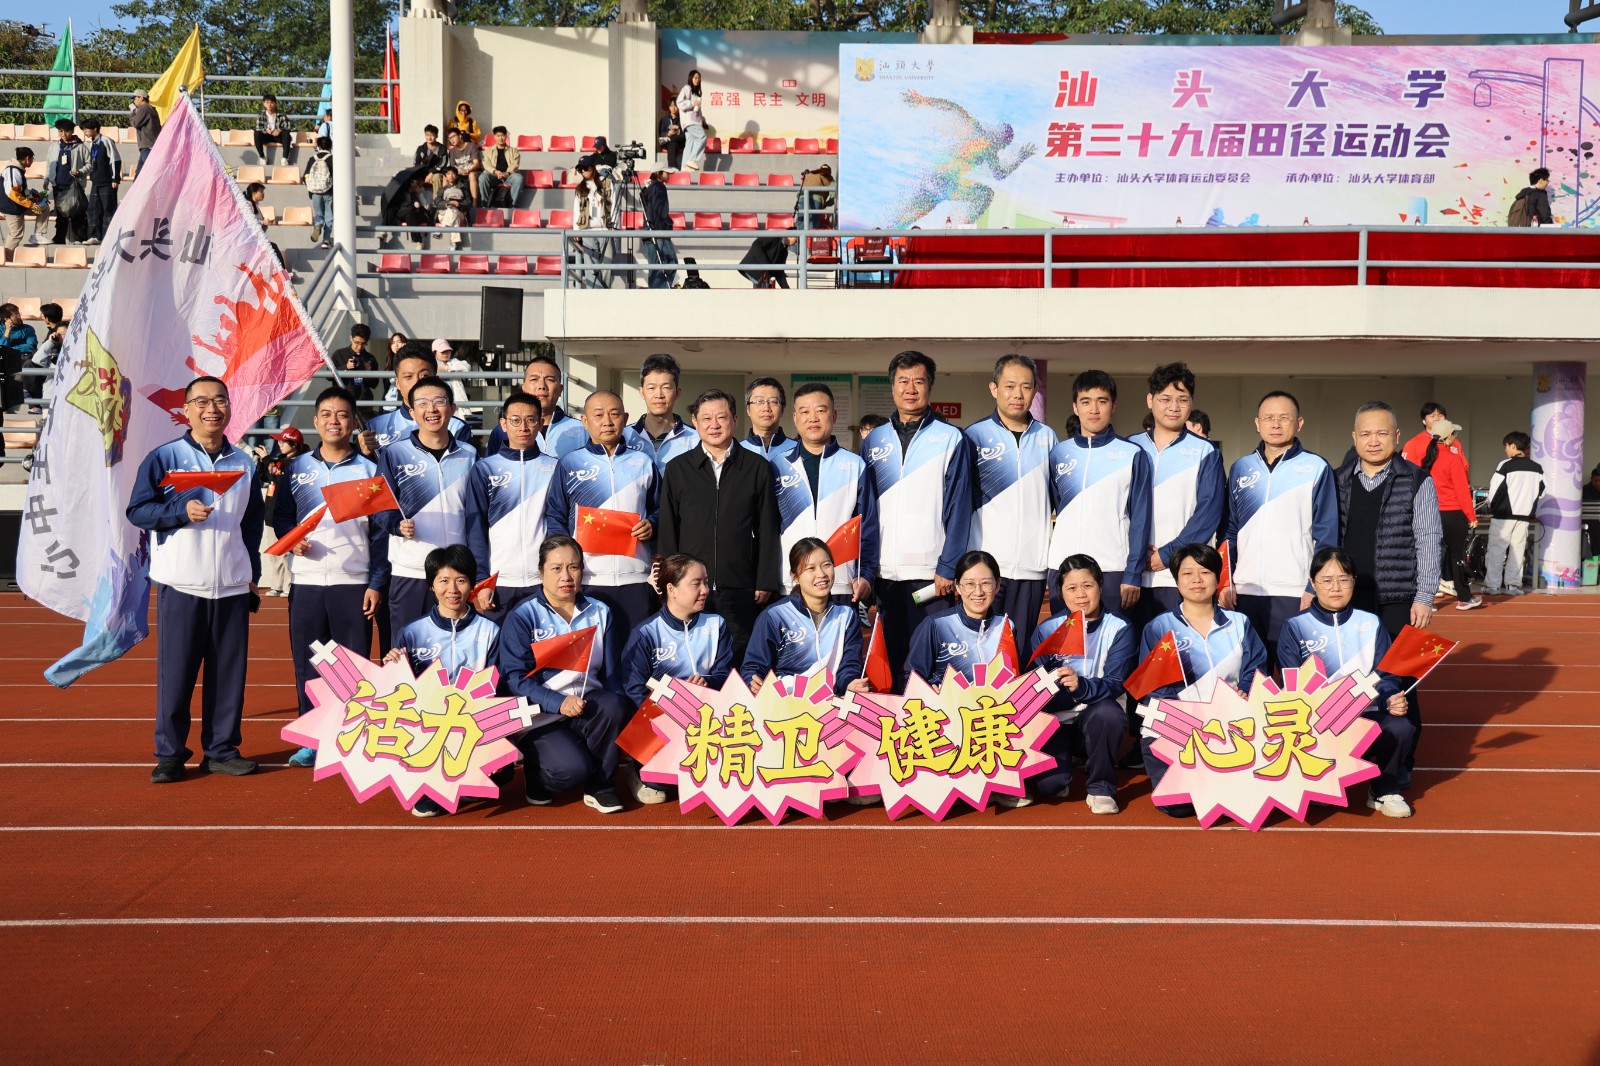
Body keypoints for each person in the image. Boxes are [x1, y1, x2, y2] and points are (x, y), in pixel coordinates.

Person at [125, 376, 263, 784]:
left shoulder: (244, 463)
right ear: (186, 410)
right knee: (177, 674)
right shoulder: (164, 457)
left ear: (230, 408)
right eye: (201, 402)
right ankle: (170, 755)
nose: (212, 409)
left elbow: (251, 524)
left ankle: (221, 750)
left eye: (220, 400)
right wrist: (180, 513)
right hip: (182, 583)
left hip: (232, 585)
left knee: (228, 676)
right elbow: (138, 511)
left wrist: (251, 575)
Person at [275, 387, 386, 767]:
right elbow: (281, 517)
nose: (333, 421)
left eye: (341, 414)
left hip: (352, 582)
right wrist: (293, 540)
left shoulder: (369, 470)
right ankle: (313, 738)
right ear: (315, 421)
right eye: (326, 414)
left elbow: (380, 533)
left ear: (353, 422)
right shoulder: (296, 469)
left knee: (352, 666)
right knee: (309, 664)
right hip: (306, 582)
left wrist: (376, 583)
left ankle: (350, 735)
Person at [1335, 400, 1440, 778]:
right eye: (1365, 433)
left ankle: (1401, 765)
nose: (1373, 440)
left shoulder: (1416, 480)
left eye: (1382, 433)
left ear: (1396, 436)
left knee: (1403, 682)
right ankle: (1350, 760)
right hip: (1348, 601)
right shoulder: (1338, 480)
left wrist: (1424, 596)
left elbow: (1429, 539)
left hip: (1399, 600)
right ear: (1354, 437)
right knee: (1350, 679)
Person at [1279, 547, 1417, 819]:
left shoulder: (1371, 622)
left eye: (1343, 579)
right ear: (1313, 584)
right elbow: (1292, 682)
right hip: (1317, 722)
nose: (1335, 587)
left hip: (1367, 714)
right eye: (1326, 580)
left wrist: (1390, 698)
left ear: (1354, 582)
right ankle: (1318, 779)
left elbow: (1386, 675)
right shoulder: (1295, 626)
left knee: (1401, 727)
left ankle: (1383, 790)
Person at [863, 351, 974, 689]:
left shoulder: (950, 438)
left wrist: (948, 567)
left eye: (918, 381)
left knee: (930, 663)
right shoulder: (874, 440)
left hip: (930, 579)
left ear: (930, 386)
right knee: (891, 662)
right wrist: (867, 570)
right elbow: (865, 512)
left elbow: (960, 508)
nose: (910, 389)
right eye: (903, 381)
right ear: (892, 387)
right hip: (886, 576)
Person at [499, 535, 629, 813]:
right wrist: (557, 702)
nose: (566, 576)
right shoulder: (523, 615)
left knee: (614, 705)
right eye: (556, 568)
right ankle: (537, 774)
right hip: (542, 716)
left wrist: (622, 716)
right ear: (541, 572)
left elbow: (613, 675)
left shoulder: (600, 611)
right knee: (569, 771)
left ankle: (601, 787)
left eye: (574, 567)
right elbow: (515, 678)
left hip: (588, 704)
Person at [1137, 543, 1268, 817]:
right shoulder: (1159, 627)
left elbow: (1256, 670)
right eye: (1187, 573)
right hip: (1179, 727)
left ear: (1217, 577)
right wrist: (1197, 720)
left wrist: (1244, 694)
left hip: (1234, 724)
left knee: (1245, 802)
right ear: (1176, 579)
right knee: (1179, 805)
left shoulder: (1239, 623)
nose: (1197, 580)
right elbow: (1156, 690)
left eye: (1205, 572)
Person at [658, 388, 783, 662]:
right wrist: (670, 580)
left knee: (739, 658)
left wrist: (764, 580)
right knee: (691, 659)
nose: (714, 425)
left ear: (735, 420)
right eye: (706, 418)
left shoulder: (756, 467)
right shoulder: (678, 469)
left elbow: (767, 528)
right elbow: (668, 529)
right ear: (695, 421)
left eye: (721, 417)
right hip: (689, 586)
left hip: (740, 586)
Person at [1222, 390, 1339, 664]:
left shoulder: (1316, 467)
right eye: (1268, 418)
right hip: (1245, 591)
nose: (1275, 424)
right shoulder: (1241, 468)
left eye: (1284, 418)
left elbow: (1327, 535)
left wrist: (1314, 587)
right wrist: (1226, 583)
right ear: (1257, 423)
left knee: (1295, 675)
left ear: (1299, 423)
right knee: (1251, 676)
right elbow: (1230, 532)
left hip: (1294, 591)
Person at [385, 543, 501, 817]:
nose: (453, 590)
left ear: (472, 584)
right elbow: (398, 689)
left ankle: (458, 779)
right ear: (431, 585)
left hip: (471, 722)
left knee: (498, 773)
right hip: (426, 725)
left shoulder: (490, 631)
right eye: (444, 581)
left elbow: (497, 685)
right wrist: (390, 667)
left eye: (461, 580)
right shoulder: (413, 632)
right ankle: (428, 783)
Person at [1026, 554, 1136, 814]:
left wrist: (1082, 686)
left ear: (1100, 586)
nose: (1081, 595)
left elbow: (1116, 683)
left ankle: (1101, 788)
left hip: (1095, 716)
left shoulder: (1120, 627)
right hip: (1057, 720)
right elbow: (1034, 686)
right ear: (1061, 592)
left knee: (1109, 714)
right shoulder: (1047, 630)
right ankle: (1070, 760)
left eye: (1088, 585)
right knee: (1049, 786)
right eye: (1072, 588)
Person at [618, 553, 733, 802]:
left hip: (710, 720)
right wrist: (668, 708)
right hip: (663, 722)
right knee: (662, 782)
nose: (705, 590)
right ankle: (638, 769)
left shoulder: (717, 625)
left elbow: (725, 674)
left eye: (706, 582)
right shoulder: (646, 633)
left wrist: (707, 682)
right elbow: (633, 690)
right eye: (696, 583)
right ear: (671, 589)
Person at [544, 390, 660, 634]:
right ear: (585, 421)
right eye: (598, 415)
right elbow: (555, 516)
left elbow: (661, 511)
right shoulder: (569, 463)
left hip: (635, 579)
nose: (607, 421)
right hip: (588, 580)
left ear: (625, 418)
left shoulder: (643, 462)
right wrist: (568, 563)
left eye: (614, 414)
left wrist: (652, 524)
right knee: (593, 653)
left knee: (634, 652)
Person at [372, 376, 477, 635]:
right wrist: (396, 525)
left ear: (452, 408)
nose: (432, 409)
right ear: (412, 412)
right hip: (411, 571)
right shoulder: (394, 453)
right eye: (422, 403)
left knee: (454, 647)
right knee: (407, 649)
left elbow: (477, 513)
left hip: (456, 574)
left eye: (439, 401)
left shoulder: (469, 454)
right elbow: (379, 506)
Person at [965, 354, 1058, 648]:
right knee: (981, 649)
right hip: (985, 569)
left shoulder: (1047, 438)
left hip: (1031, 567)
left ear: (1035, 391)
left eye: (1026, 387)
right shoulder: (974, 437)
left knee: (1020, 649)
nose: (1018, 394)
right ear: (994, 388)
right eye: (1010, 386)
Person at [1045, 369, 1152, 619]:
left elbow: (1141, 518)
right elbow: (1055, 506)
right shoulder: (1058, 453)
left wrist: (1133, 573)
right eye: (1086, 401)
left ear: (1113, 406)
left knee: (1113, 640)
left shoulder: (1132, 454)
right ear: (1075, 407)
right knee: (1067, 642)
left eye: (1102, 401)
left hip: (1112, 568)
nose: (1094, 409)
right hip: (1063, 567)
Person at [1134, 362, 1226, 624]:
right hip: (1132, 576)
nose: (1174, 406)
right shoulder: (1130, 447)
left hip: (1179, 576)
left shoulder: (1205, 452)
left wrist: (1166, 555)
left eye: (1182, 399)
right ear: (1150, 400)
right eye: (1165, 399)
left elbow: (1207, 515)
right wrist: (1134, 556)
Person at [772, 382, 876, 603]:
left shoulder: (854, 465)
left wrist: (865, 574)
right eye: (805, 412)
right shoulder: (777, 466)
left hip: (840, 583)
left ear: (834, 415)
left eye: (821, 410)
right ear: (795, 418)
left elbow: (868, 527)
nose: (813, 418)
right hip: (790, 584)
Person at [465, 391, 558, 623]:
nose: (523, 427)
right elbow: (476, 530)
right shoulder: (485, 468)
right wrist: (482, 581)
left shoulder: (555, 467)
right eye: (515, 420)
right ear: (503, 424)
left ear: (540, 424)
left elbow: (559, 524)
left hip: (543, 581)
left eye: (530, 420)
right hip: (500, 583)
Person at [742, 538, 867, 694]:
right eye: (811, 568)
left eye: (826, 565)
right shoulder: (774, 616)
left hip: (831, 702)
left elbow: (850, 664)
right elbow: (754, 666)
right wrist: (753, 682)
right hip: (786, 702)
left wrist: (849, 683)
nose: (821, 574)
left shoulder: (847, 616)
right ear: (795, 576)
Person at [904, 550, 1015, 686]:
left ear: (997, 585)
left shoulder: (1006, 626)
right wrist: (930, 692)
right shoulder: (936, 625)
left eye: (986, 583)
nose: (978, 592)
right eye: (969, 584)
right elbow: (910, 677)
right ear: (958, 586)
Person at [358, 342, 475, 455]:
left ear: (436, 379)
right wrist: (365, 454)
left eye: (424, 376)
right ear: (397, 383)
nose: (416, 383)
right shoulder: (375, 427)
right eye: (408, 376)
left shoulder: (457, 428)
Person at [483, 355, 588, 457]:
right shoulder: (503, 430)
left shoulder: (582, 429)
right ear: (524, 388)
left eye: (550, 380)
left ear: (561, 389)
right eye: (534, 379)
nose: (542, 386)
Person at [1482, 430, 1545, 597]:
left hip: (1503, 516)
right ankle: (1513, 586)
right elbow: (1542, 492)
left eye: (1506, 446)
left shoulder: (1505, 465)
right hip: (1524, 517)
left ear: (1513, 446)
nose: (1505, 450)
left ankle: (1493, 585)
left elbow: (1494, 491)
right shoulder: (1537, 468)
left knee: (1497, 550)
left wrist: (1492, 507)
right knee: (1518, 550)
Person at [623, 352, 699, 473]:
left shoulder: (696, 439)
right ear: (641, 392)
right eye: (651, 388)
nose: (659, 395)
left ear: (678, 392)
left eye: (666, 387)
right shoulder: (624, 437)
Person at [255, 425, 307, 597]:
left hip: (288, 514)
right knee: (275, 552)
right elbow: (266, 476)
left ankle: (288, 585)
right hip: (272, 513)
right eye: (279, 442)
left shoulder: (299, 462)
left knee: (288, 551)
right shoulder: (279, 460)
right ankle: (277, 585)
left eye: (283, 442)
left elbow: (279, 476)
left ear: (294, 444)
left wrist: (266, 459)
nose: (280, 445)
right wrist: (262, 461)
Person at [72, 117, 120, 244]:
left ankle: (108, 237)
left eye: (87, 130)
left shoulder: (106, 141)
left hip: (108, 182)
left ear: (95, 129)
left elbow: (115, 160)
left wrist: (115, 179)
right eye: (83, 130)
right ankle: (95, 236)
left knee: (108, 210)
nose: (85, 133)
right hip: (96, 182)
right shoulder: (92, 144)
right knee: (93, 209)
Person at [571, 156, 616, 288]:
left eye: (585, 168)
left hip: (605, 229)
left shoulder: (607, 183)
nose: (583, 171)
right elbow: (577, 210)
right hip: (587, 230)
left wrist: (614, 225)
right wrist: (576, 230)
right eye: (580, 169)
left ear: (592, 167)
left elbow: (614, 205)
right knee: (590, 266)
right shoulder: (580, 188)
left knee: (607, 265)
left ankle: (603, 292)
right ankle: (594, 293)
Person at [46, 119, 87, 245]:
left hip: (74, 185)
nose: (63, 134)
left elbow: (90, 164)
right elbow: (49, 164)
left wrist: (80, 171)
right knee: (60, 215)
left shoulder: (80, 146)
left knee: (77, 213)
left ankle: (79, 238)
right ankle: (59, 238)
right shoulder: (54, 146)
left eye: (66, 131)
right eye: (60, 131)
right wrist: (46, 178)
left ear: (72, 131)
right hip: (58, 185)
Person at [1, 148, 48, 250]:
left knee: (43, 207)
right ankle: (7, 257)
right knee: (15, 235)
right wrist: (31, 205)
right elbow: (12, 193)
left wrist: (38, 198)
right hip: (12, 208)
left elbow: (24, 192)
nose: (32, 162)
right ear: (27, 158)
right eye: (32, 159)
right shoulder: (13, 171)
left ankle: (38, 235)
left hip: (21, 206)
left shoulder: (19, 170)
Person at [742, 377, 799, 460]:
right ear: (748, 409)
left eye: (773, 401)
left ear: (782, 409)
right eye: (759, 401)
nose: (766, 408)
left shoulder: (797, 450)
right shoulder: (737, 451)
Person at [641, 169, 679, 290]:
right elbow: (659, 210)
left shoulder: (649, 188)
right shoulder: (659, 187)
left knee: (655, 265)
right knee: (670, 263)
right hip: (658, 230)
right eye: (666, 172)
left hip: (650, 229)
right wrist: (667, 223)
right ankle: (660, 291)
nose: (668, 175)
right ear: (658, 173)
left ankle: (656, 291)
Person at [26, 302, 65, 405]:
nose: (62, 336)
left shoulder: (56, 332)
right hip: (47, 363)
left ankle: (30, 395)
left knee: (29, 364)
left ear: (47, 318)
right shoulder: (52, 333)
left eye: (42, 315)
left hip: (54, 365)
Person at [330, 323, 379, 405]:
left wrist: (368, 373)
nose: (359, 346)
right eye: (357, 342)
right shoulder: (339, 354)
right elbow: (328, 376)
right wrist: (345, 367)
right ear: (351, 338)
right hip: (342, 401)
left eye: (363, 344)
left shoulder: (370, 358)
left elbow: (375, 384)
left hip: (364, 403)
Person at [303, 135, 334, 248]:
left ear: (319, 146)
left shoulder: (313, 158)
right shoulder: (332, 158)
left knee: (318, 214)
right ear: (330, 146)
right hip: (329, 191)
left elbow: (305, 176)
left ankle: (318, 224)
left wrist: (311, 188)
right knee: (329, 217)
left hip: (315, 192)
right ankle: (326, 241)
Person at [480, 126, 523, 208]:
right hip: (494, 176)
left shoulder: (513, 151)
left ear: (506, 136)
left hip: (509, 176)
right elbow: (486, 164)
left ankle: (512, 204)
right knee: (483, 177)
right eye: (498, 136)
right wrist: (495, 171)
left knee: (518, 178)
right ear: (494, 137)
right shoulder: (488, 150)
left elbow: (515, 164)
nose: (500, 138)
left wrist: (507, 173)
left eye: (502, 135)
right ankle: (485, 204)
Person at [443, 128, 483, 208]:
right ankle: (445, 202)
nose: (452, 140)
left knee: (471, 175)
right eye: (450, 138)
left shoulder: (471, 146)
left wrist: (468, 170)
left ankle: (474, 203)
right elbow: (453, 167)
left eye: (454, 136)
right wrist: (459, 171)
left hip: (473, 171)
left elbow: (476, 163)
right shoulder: (452, 151)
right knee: (445, 177)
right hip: (460, 173)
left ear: (460, 136)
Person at [677, 70, 706, 172]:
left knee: (689, 143)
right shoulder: (687, 88)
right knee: (702, 137)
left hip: (693, 121)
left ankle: (684, 166)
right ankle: (691, 159)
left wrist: (703, 121)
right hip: (690, 121)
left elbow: (698, 111)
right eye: (695, 78)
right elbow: (679, 102)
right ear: (691, 78)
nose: (697, 80)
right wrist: (693, 103)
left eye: (699, 78)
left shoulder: (696, 92)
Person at [128, 89, 161, 179]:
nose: (134, 101)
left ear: (141, 98)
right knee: (139, 173)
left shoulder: (143, 108)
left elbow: (135, 123)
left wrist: (133, 113)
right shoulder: (151, 109)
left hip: (147, 146)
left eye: (135, 98)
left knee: (146, 173)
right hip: (150, 145)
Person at [253, 93, 294, 165]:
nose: (269, 105)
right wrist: (265, 130)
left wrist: (279, 130)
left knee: (286, 134)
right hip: (267, 136)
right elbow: (258, 127)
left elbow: (288, 126)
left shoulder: (281, 114)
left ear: (275, 104)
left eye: (272, 102)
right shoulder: (261, 114)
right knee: (257, 133)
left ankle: (284, 158)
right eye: (267, 102)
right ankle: (262, 157)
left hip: (278, 136)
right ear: (264, 104)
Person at [435, 166, 470, 248]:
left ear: (456, 176)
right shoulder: (442, 189)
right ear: (445, 176)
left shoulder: (462, 188)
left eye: (453, 174)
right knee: (453, 215)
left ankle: (442, 229)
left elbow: (468, 202)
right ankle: (453, 243)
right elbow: (437, 203)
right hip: (443, 215)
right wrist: (449, 203)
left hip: (460, 213)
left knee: (453, 210)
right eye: (448, 174)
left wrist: (458, 204)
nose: (451, 176)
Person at [413, 124, 448, 197]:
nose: (429, 137)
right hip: (423, 172)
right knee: (412, 179)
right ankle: (417, 201)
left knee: (436, 177)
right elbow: (416, 163)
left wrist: (431, 173)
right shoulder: (421, 148)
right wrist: (421, 175)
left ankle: (437, 200)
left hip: (437, 172)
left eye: (432, 135)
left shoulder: (442, 148)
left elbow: (442, 163)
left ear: (436, 136)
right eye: (427, 135)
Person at [657, 100, 685, 170]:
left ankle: (672, 169)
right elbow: (661, 133)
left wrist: (678, 129)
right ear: (669, 107)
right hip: (669, 142)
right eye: (671, 106)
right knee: (672, 144)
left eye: (675, 106)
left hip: (680, 141)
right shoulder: (665, 119)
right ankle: (673, 168)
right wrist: (668, 134)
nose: (673, 108)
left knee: (673, 140)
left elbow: (685, 133)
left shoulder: (683, 118)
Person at [1584, 464, 1600, 559]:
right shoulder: (1586, 490)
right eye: (1595, 481)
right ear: (1591, 479)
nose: (1598, 483)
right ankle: (1595, 555)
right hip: (1590, 521)